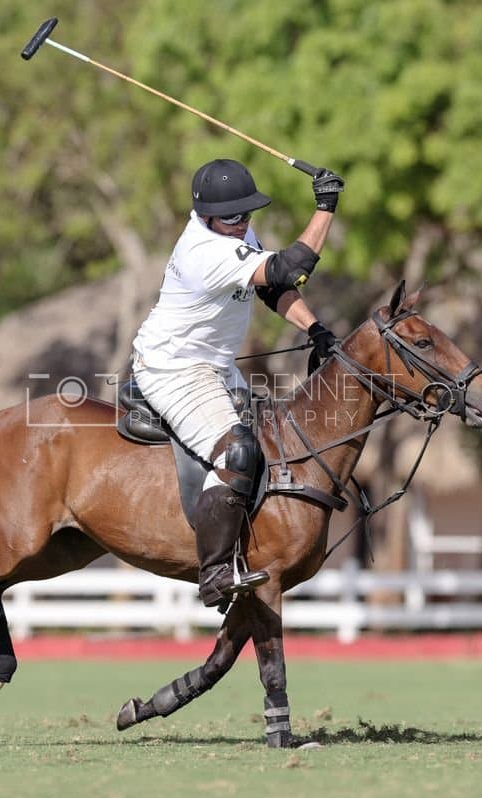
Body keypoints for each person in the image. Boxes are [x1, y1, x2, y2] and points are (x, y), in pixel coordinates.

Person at [131, 158, 344, 607]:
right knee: (237, 452)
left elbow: (272, 289)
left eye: (247, 213)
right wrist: (325, 208)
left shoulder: (235, 233)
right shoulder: (204, 251)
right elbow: (289, 270)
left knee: (271, 442)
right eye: (231, 216)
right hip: (173, 368)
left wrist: (315, 329)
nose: (242, 222)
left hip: (216, 368)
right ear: (206, 216)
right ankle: (214, 573)